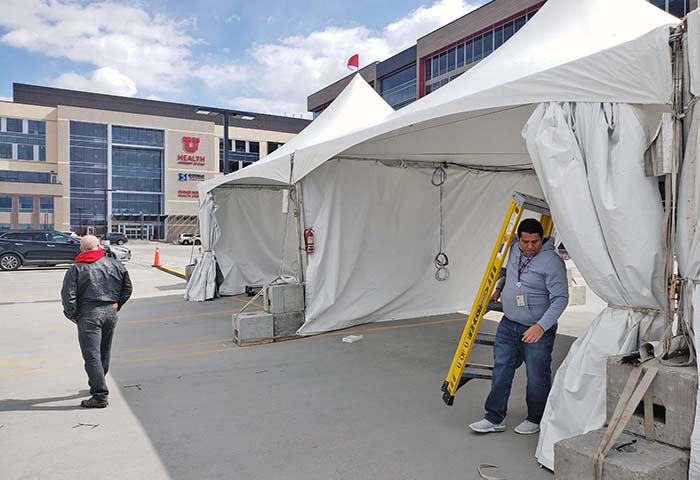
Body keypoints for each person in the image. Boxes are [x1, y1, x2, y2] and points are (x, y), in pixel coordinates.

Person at [469, 218, 568, 435]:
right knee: (501, 369)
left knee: (536, 375)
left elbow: (561, 298)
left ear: (542, 239)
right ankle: (494, 417)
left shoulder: (552, 262)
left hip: (536, 330)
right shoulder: (514, 249)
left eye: (535, 242)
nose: (530, 247)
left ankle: (535, 418)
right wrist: (500, 286)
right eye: (526, 242)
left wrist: (541, 327)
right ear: (519, 239)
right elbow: (509, 272)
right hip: (508, 324)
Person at [61, 235, 132, 408]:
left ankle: (99, 395)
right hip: (110, 312)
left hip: (89, 314)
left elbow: (68, 297)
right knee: (103, 351)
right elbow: (127, 288)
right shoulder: (116, 264)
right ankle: (97, 382)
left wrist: (75, 316)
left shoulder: (76, 268)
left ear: (81, 249)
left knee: (92, 355)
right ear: (99, 246)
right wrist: (116, 305)